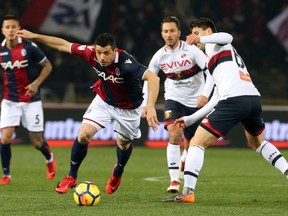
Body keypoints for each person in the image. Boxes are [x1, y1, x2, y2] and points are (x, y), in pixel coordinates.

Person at [16, 30, 160, 194]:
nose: (102, 57)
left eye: (106, 53)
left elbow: (154, 78)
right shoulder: (90, 52)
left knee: (123, 144)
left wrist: (150, 106)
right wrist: (35, 36)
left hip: (128, 108)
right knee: (83, 134)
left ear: (115, 51)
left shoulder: (127, 63)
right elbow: (63, 45)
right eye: (99, 52)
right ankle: (71, 177)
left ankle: (118, 170)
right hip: (104, 101)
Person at [163, 17, 288, 203]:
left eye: (197, 32)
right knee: (258, 143)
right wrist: (190, 119)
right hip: (252, 99)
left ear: (209, 32)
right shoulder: (214, 60)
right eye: (193, 34)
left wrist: (201, 39)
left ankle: (187, 192)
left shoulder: (217, 44)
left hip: (235, 100)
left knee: (197, 142)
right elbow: (216, 97)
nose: (194, 37)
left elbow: (228, 36)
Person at [142, 16, 214, 193]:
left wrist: (205, 95)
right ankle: (174, 180)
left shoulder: (192, 49)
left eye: (172, 30)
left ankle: (185, 155)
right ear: (161, 34)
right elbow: (148, 79)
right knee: (174, 133)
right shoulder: (159, 56)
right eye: (165, 31)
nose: (169, 34)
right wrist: (146, 104)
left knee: (193, 143)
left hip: (196, 102)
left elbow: (211, 70)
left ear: (179, 33)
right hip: (174, 98)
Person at [0, 14, 56, 184]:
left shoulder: (30, 47)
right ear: (2, 30)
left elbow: (48, 66)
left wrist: (36, 83)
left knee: (37, 142)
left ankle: (49, 159)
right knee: (5, 138)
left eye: (13, 27)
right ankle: (6, 175)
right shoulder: (0, 51)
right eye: (7, 27)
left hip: (31, 100)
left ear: (19, 29)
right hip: (10, 100)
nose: (10, 30)